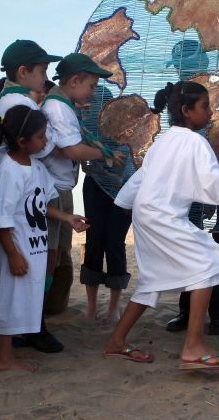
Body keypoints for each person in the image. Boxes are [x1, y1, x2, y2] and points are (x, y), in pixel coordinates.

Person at [103, 80, 219, 370]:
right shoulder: (195, 141)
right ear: (186, 110)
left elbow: (140, 179)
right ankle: (193, 347)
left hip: (147, 215)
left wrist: (122, 206)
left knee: (151, 281)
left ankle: (116, 341)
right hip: (163, 216)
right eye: (205, 106)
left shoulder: (163, 142)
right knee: (209, 264)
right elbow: (213, 180)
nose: (210, 112)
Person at [0, 39, 63, 355]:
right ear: (23, 71)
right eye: (42, 70)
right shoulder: (20, 104)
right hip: (8, 188)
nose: (45, 78)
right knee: (7, 267)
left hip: (7, 183)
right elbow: (46, 147)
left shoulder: (4, 100)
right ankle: (11, 330)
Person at [0, 105, 88, 372]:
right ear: (22, 141)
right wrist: (12, 254)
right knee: (8, 298)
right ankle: (3, 357)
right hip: (15, 250)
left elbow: (42, 204)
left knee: (22, 298)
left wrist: (67, 218)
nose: (46, 141)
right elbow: (0, 218)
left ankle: (8, 352)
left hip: (32, 247)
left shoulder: (37, 168)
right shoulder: (8, 171)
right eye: (40, 136)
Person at [165, 39, 219, 336]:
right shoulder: (176, 98)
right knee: (190, 244)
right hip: (190, 185)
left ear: (205, 62)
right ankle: (186, 311)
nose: (183, 70)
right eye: (179, 66)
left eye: (188, 64)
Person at [41, 52, 125, 315]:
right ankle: (40, 314)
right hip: (62, 187)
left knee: (62, 252)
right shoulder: (61, 109)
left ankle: (45, 311)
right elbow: (72, 149)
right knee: (56, 254)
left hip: (72, 188)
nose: (92, 95)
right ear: (75, 81)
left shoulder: (67, 109)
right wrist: (105, 155)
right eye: (92, 87)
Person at [79, 84, 133, 323]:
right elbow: (80, 158)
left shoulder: (124, 129)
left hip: (123, 191)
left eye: (94, 105)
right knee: (93, 242)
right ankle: (91, 307)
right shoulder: (84, 129)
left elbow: (127, 162)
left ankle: (113, 307)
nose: (89, 109)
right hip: (95, 187)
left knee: (114, 244)